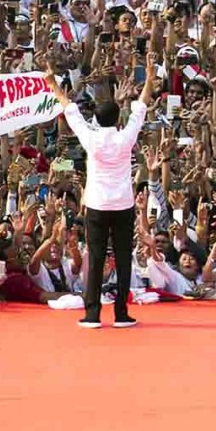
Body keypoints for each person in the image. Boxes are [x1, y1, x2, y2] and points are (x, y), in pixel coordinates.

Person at [45, 58, 157, 329]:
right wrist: (150, 77)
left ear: (96, 118)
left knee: (94, 258)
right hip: (122, 204)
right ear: (118, 119)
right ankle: (121, 314)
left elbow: (70, 111)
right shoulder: (125, 137)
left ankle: (92, 314)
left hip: (96, 204)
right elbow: (140, 110)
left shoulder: (91, 137)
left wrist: (52, 84)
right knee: (122, 257)